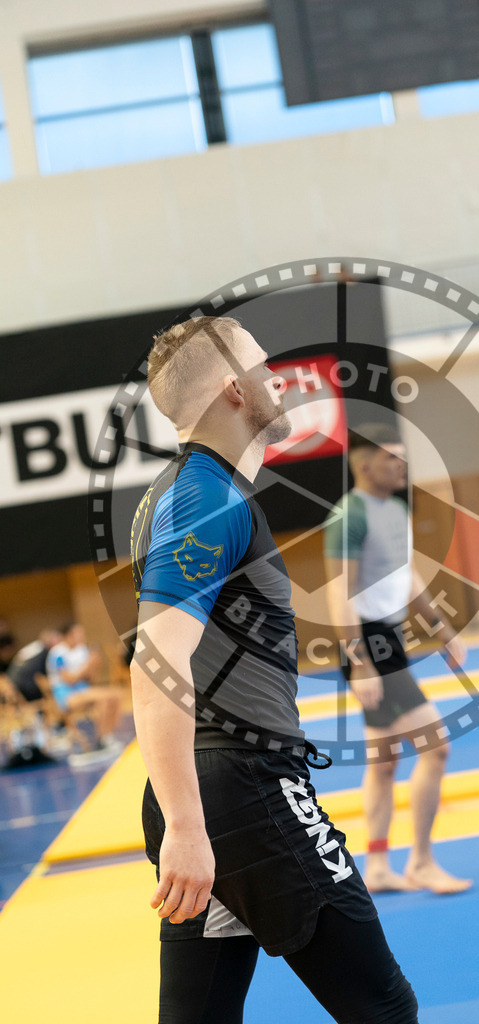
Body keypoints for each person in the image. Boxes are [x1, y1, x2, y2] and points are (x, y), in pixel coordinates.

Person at [130, 316, 418, 1024]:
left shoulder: (182, 493)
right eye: (265, 366)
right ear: (234, 390)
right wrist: (188, 828)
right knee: (382, 1007)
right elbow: (154, 660)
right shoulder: (206, 499)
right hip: (240, 796)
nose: (279, 378)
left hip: (211, 796)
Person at [323, 423, 472, 895]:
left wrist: (442, 629)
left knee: (384, 761)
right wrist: (359, 660)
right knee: (436, 746)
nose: (401, 466)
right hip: (369, 643)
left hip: (390, 637)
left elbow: (407, 578)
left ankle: (382, 865)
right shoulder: (350, 515)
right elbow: (338, 592)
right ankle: (422, 862)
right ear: (365, 465)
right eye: (392, 458)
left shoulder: (398, 510)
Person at [46, 622, 123, 757]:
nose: (82, 637)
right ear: (68, 636)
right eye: (78, 634)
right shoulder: (57, 653)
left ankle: (107, 736)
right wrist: (87, 666)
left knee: (116, 695)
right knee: (104, 698)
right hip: (67, 695)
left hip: (83, 690)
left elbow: (90, 679)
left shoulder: (81, 650)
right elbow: (69, 680)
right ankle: (102, 740)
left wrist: (94, 665)